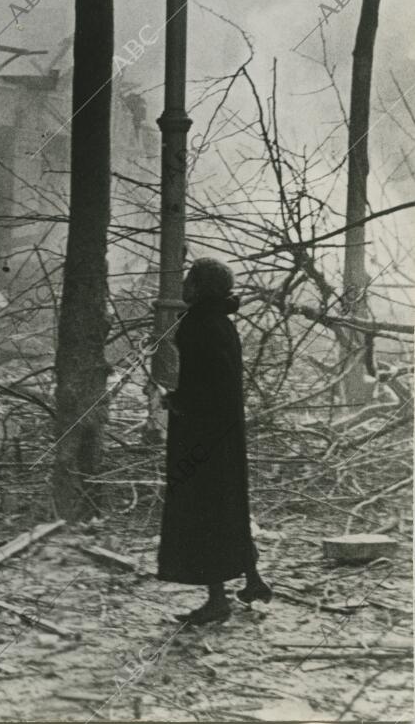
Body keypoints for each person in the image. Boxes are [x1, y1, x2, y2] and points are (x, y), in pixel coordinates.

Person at [157, 257, 271, 624]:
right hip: (226, 433)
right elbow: (221, 380)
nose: (183, 286)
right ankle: (252, 580)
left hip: (200, 436)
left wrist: (176, 401)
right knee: (229, 505)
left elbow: (203, 385)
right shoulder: (223, 323)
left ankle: (217, 600)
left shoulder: (196, 325)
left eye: (190, 280)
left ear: (200, 287)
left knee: (201, 512)